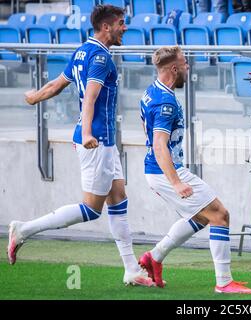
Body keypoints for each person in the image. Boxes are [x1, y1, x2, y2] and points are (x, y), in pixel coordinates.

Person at [7, 5, 153, 287]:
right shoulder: (100, 57)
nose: (125, 28)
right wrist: (87, 134)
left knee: (119, 198)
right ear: (106, 27)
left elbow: (58, 84)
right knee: (91, 209)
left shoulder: (83, 50)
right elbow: (90, 100)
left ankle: (131, 269)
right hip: (95, 141)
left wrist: (33, 97)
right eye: (121, 23)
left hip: (103, 141)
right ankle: (23, 230)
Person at [138, 46, 251, 294]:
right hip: (166, 171)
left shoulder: (151, 92)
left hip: (159, 169)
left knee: (201, 217)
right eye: (184, 63)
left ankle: (154, 257)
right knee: (220, 215)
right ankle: (224, 283)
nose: (188, 67)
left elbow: (146, 130)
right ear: (174, 68)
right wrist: (176, 182)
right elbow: (159, 144)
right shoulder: (165, 102)